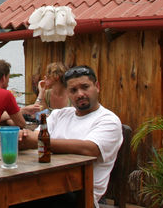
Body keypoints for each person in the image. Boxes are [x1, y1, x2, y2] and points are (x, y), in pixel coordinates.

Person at [19, 65, 123, 207]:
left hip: (80, 195)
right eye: (73, 90)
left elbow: (90, 148)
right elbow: (35, 135)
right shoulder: (59, 115)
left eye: (85, 87)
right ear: (68, 93)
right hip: (46, 185)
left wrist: (38, 141)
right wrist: (23, 136)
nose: (80, 94)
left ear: (97, 87)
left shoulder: (108, 120)